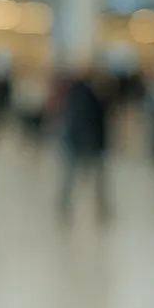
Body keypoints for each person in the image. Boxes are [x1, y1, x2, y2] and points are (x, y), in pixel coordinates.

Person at [58, 68, 111, 220]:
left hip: (87, 140)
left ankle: (100, 204)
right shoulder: (82, 93)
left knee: (94, 177)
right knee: (74, 175)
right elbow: (82, 119)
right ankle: (65, 204)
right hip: (83, 141)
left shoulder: (93, 93)